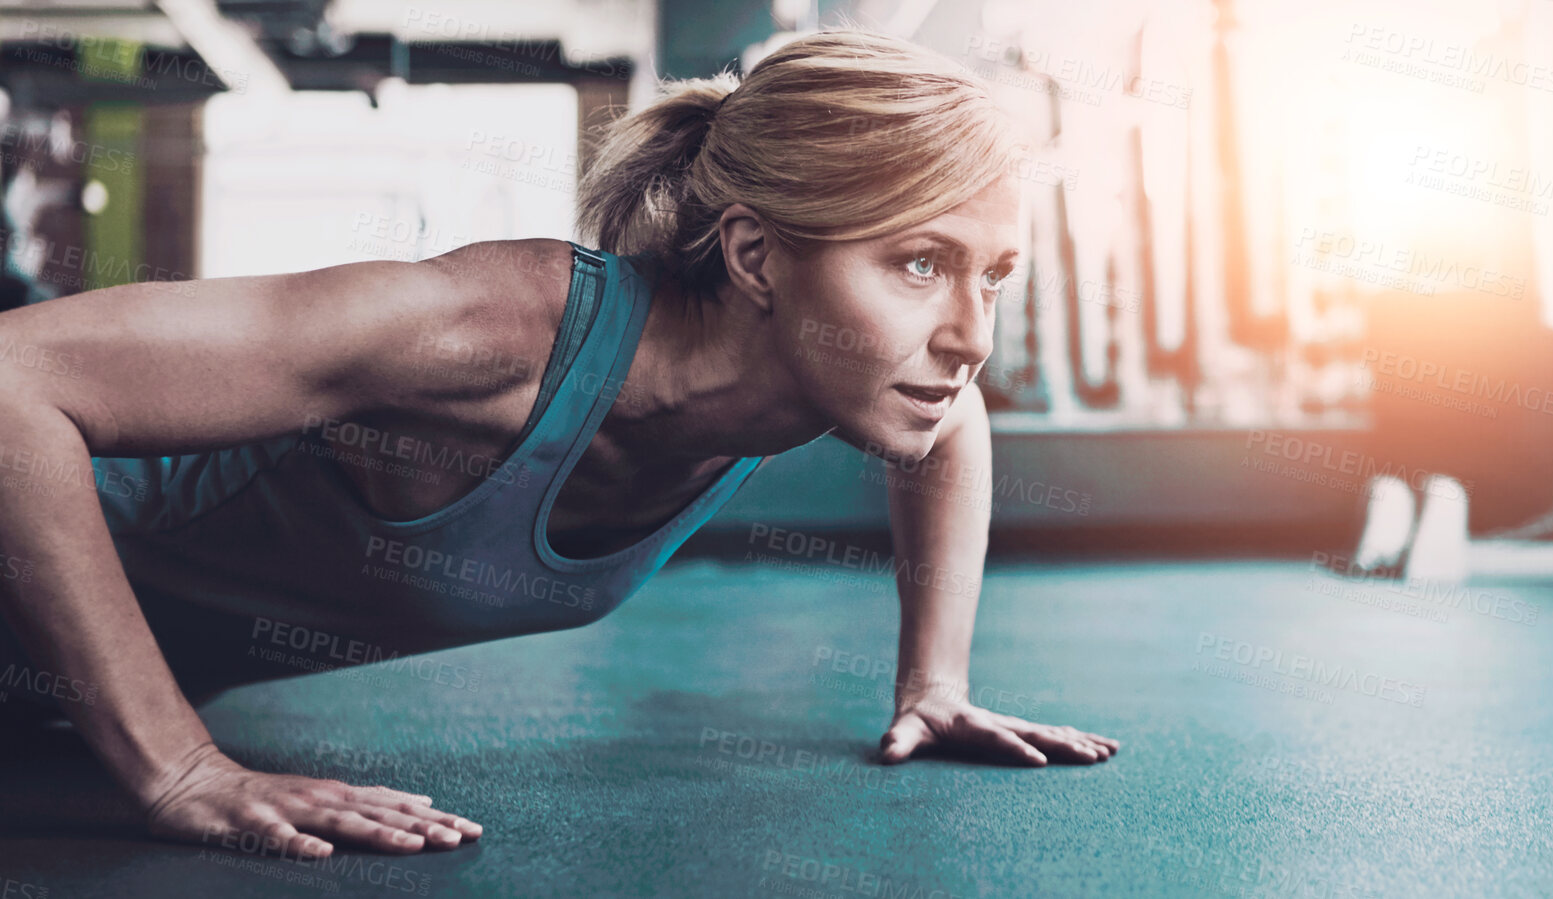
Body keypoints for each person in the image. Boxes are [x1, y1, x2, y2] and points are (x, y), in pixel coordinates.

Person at [0, 29, 1116, 860]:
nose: (971, 335)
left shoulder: (847, 376)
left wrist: (934, 677)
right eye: (920, 263)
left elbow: (954, 421)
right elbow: (14, 381)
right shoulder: (490, 331)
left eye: (995, 275)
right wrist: (175, 761)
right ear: (757, 258)